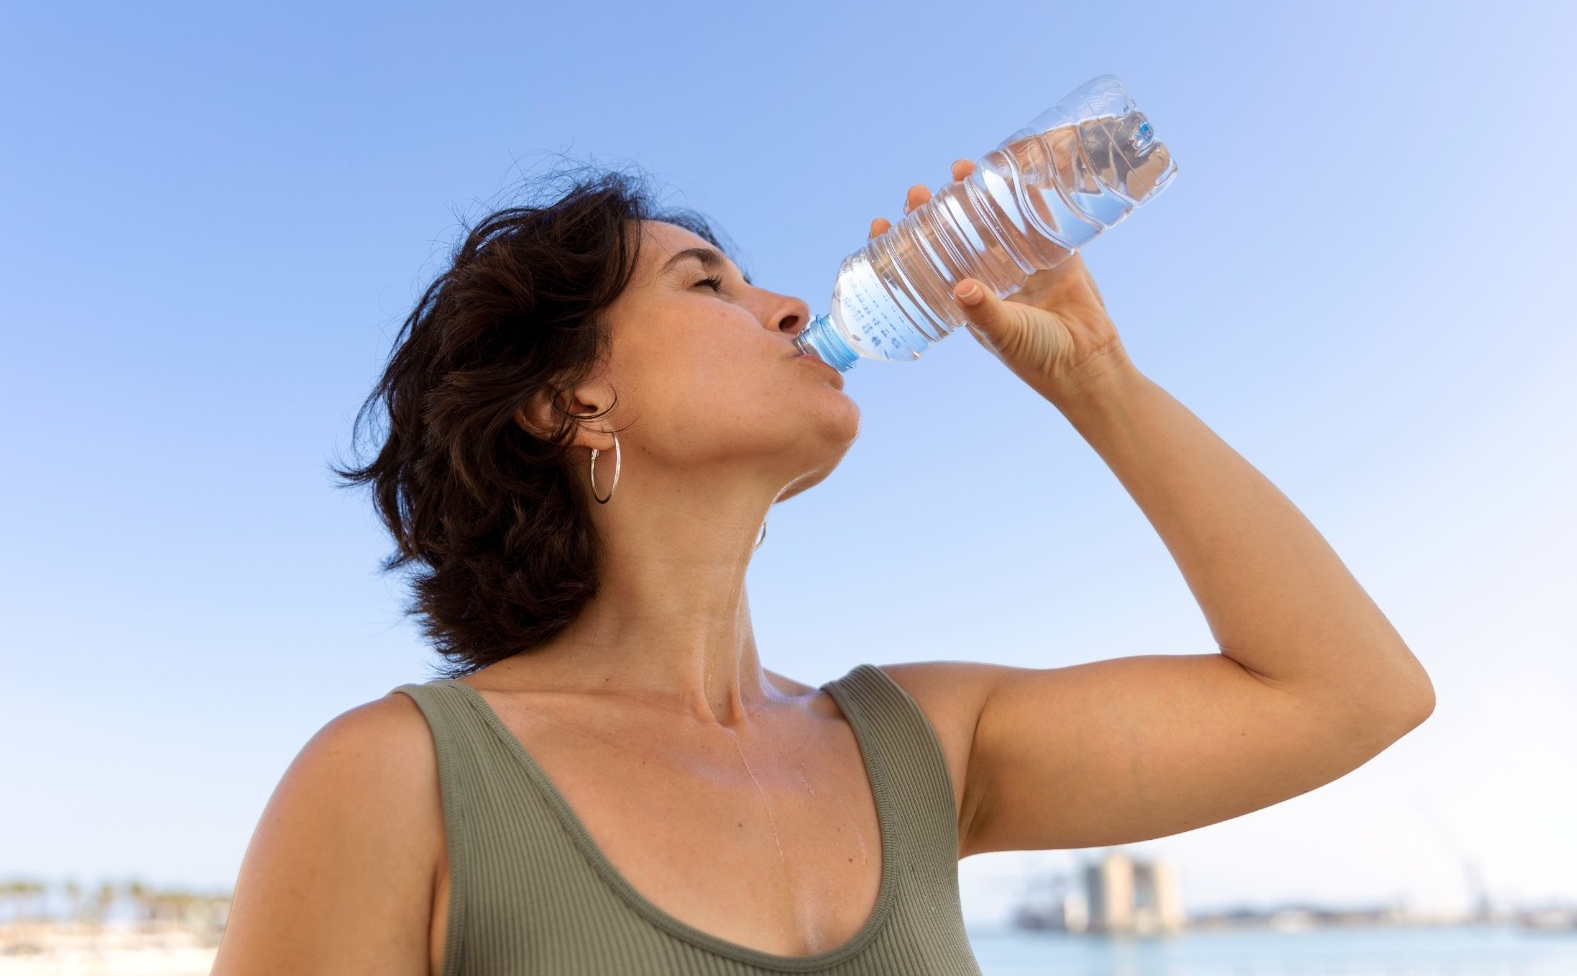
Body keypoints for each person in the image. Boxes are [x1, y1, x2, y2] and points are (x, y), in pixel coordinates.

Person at [211, 162, 1433, 975]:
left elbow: (1349, 694)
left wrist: (1095, 378)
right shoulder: (396, 780)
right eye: (709, 284)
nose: (790, 307)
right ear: (570, 399)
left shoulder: (919, 744)